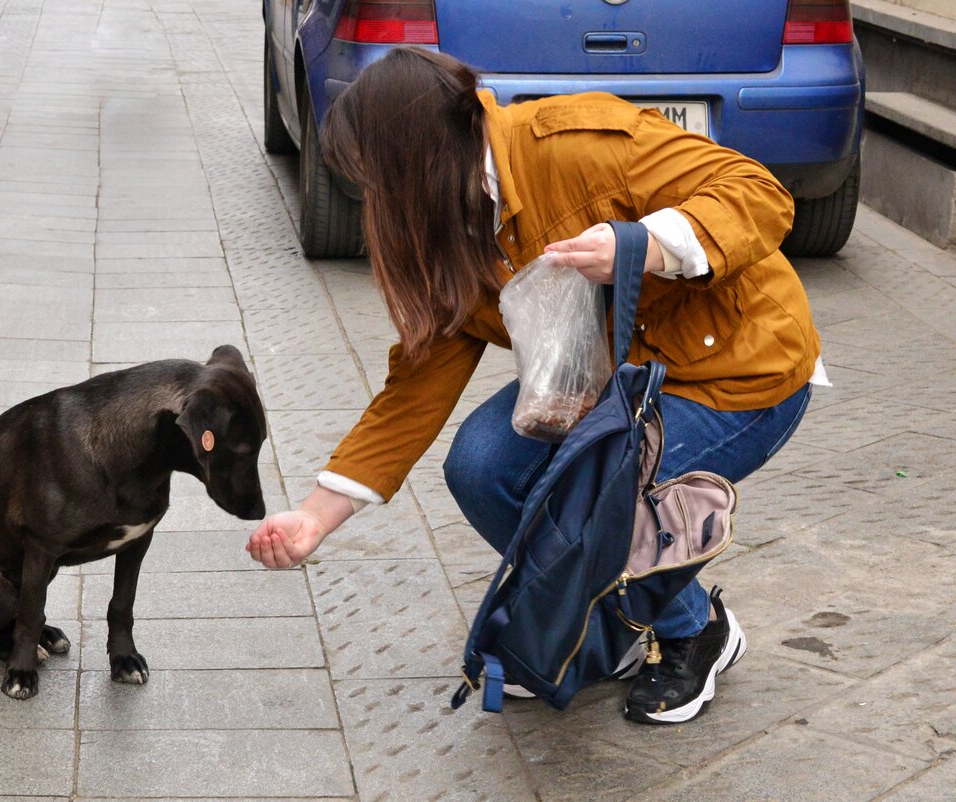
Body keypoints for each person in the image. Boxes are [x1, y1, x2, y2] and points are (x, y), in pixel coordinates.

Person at [245, 46, 825, 724]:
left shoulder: (576, 147)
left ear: (417, 161)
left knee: (597, 491)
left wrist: (645, 245)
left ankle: (695, 633)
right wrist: (313, 519)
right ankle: (629, 614)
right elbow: (415, 385)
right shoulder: (448, 225)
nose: (371, 201)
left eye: (375, 181)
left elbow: (756, 192)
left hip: (737, 370)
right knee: (482, 467)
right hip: (616, 381)